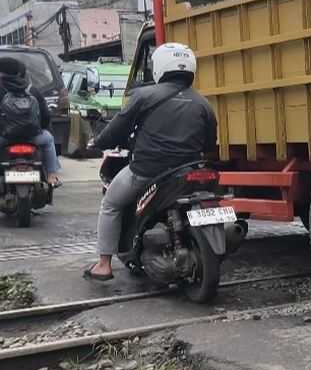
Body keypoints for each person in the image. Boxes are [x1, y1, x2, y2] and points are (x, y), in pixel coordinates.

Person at [84, 43, 217, 281]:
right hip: (189, 171)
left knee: (111, 203)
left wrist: (98, 142)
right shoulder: (203, 103)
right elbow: (209, 144)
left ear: (160, 67)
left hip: (147, 171)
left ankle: (104, 264)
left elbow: (117, 129)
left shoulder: (143, 96)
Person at [0, 56, 62, 188]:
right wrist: (41, 129)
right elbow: (45, 116)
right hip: (32, 138)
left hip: (4, 138)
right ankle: (51, 176)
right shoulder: (31, 89)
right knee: (49, 139)